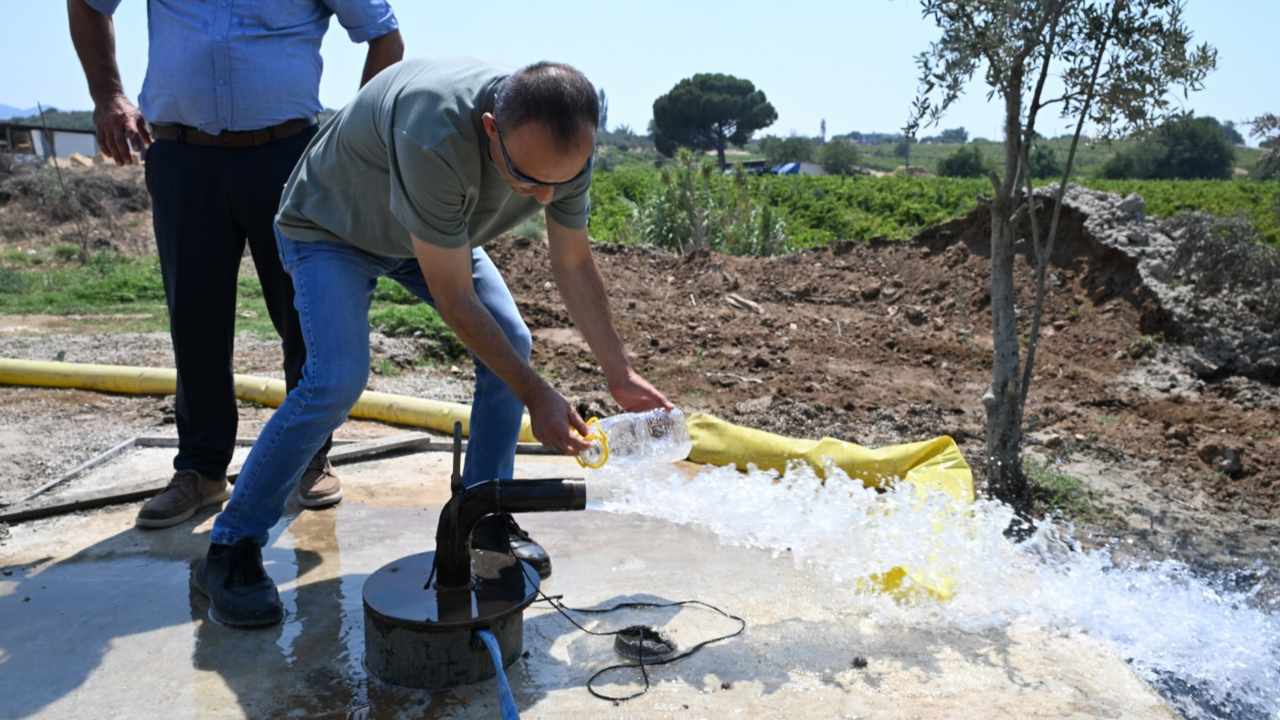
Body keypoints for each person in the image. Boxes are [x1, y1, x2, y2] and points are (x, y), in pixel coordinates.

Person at [191, 57, 673, 627]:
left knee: (511, 343)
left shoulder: (564, 148)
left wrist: (619, 372)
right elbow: (455, 299)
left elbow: (572, 262)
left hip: (433, 231)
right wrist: (537, 395)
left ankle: (484, 517)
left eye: (559, 182)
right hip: (333, 228)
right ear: (491, 129)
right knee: (335, 379)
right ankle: (232, 547)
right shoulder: (434, 131)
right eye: (527, 179)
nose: (544, 198)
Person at [67, 0, 404, 527]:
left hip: (287, 156)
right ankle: (201, 470)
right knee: (194, 319)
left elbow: (384, 36)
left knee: (305, 312)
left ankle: (310, 457)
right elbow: (89, 5)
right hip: (182, 154)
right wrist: (108, 95)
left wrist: (352, 141)